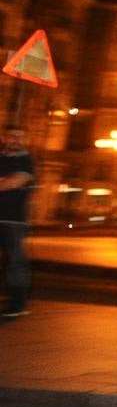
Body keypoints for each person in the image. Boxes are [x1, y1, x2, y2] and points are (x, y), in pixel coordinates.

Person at [0, 124, 34, 318]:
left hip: (13, 220)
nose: (16, 140)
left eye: (20, 137)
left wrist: (8, 181)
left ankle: (17, 305)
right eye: (12, 136)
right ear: (4, 138)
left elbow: (15, 182)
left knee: (15, 263)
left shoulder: (26, 160)